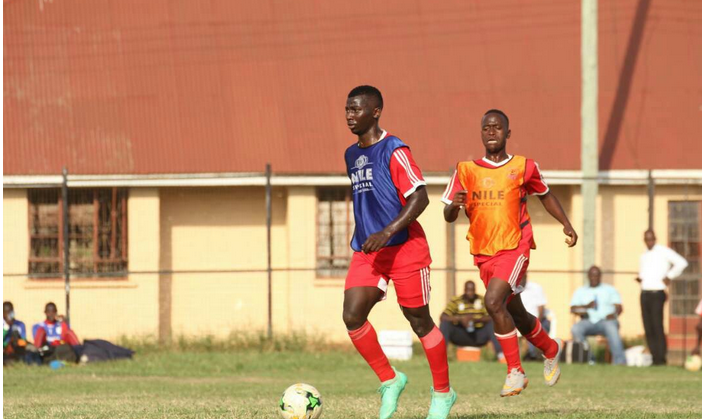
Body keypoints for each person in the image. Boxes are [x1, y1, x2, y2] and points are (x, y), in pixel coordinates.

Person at [442, 109, 576, 397]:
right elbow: (448, 214)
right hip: (483, 252)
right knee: (515, 313)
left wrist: (565, 223)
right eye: (486, 128)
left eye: (497, 127)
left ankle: (515, 371)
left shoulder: (524, 166)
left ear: (507, 133)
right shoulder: (465, 170)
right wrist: (454, 205)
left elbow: (546, 195)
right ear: (481, 133)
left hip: (515, 246)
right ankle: (551, 348)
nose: (492, 132)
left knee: (492, 302)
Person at [342, 85, 456, 419]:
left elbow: (420, 197)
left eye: (356, 109)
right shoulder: (351, 154)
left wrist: (387, 230)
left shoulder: (394, 149)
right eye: (347, 109)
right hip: (368, 250)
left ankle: (443, 394)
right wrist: (367, 232)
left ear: (375, 112)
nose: (349, 115)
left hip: (405, 248)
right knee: (352, 315)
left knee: (419, 321)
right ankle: (390, 380)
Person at [636, 230, 688, 365]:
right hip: (645, 292)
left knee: (657, 325)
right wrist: (640, 278)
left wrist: (669, 276)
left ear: (655, 238)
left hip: (657, 292)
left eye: (651, 239)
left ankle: (661, 358)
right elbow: (645, 272)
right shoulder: (644, 255)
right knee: (648, 326)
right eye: (647, 239)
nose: (649, 242)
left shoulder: (663, 251)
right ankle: (654, 358)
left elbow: (682, 262)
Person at [570, 266, 626, 365]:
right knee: (576, 329)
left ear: (600, 276)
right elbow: (573, 309)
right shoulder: (581, 291)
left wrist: (614, 315)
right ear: (588, 276)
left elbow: (619, 307)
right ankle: (589, 359)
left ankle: (619, 362)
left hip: (606, 321)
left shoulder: (609, 289)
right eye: (592, 275)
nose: (594, 278)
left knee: (611, 328)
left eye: (596, 275)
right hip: (588, 321)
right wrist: (586, 306)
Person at [439, 280, 505, 362]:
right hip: (461, 335)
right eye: (468, 290)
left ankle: (501, 355)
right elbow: (443, 316)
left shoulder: (482, 300)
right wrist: (460, 319)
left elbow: (491, 317)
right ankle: (440, 357)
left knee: (492, 324)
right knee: (445, 324)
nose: (470, 293)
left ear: (475, 290)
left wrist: (476, 319)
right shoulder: (456, 301)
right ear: (464, 290)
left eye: (472, 290)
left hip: (478, 335)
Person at [519, 276, 551, 361]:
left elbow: (541, 308)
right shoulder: (512, 289)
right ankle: (532, 355)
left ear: (525, 276)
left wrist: (536, 322)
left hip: (538, 320)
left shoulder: (536, 288)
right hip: (519, 322)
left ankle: (534, 354)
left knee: (533, 328)